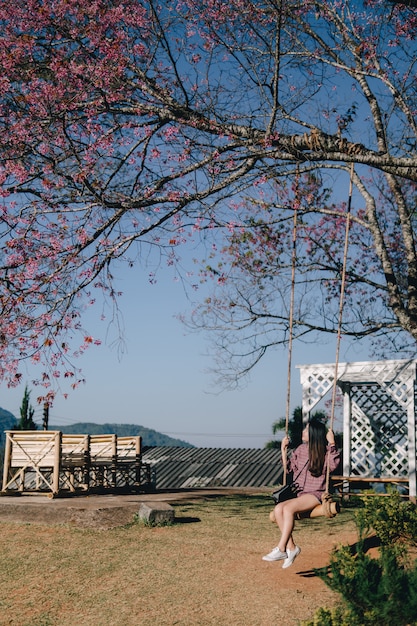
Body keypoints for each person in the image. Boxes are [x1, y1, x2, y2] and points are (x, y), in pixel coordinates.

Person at [262, 417, 340, 569]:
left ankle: (281, 548)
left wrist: (332, 443)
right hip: (300, 493)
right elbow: (289, 469)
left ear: (313, 433)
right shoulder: (301, 449)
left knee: (288, 509)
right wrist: (283, 450)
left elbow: (334, 465)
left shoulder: (325, 452)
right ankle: (292, 548)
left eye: (306, 429)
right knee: (278, 509)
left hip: (315, 494)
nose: (303, 431)